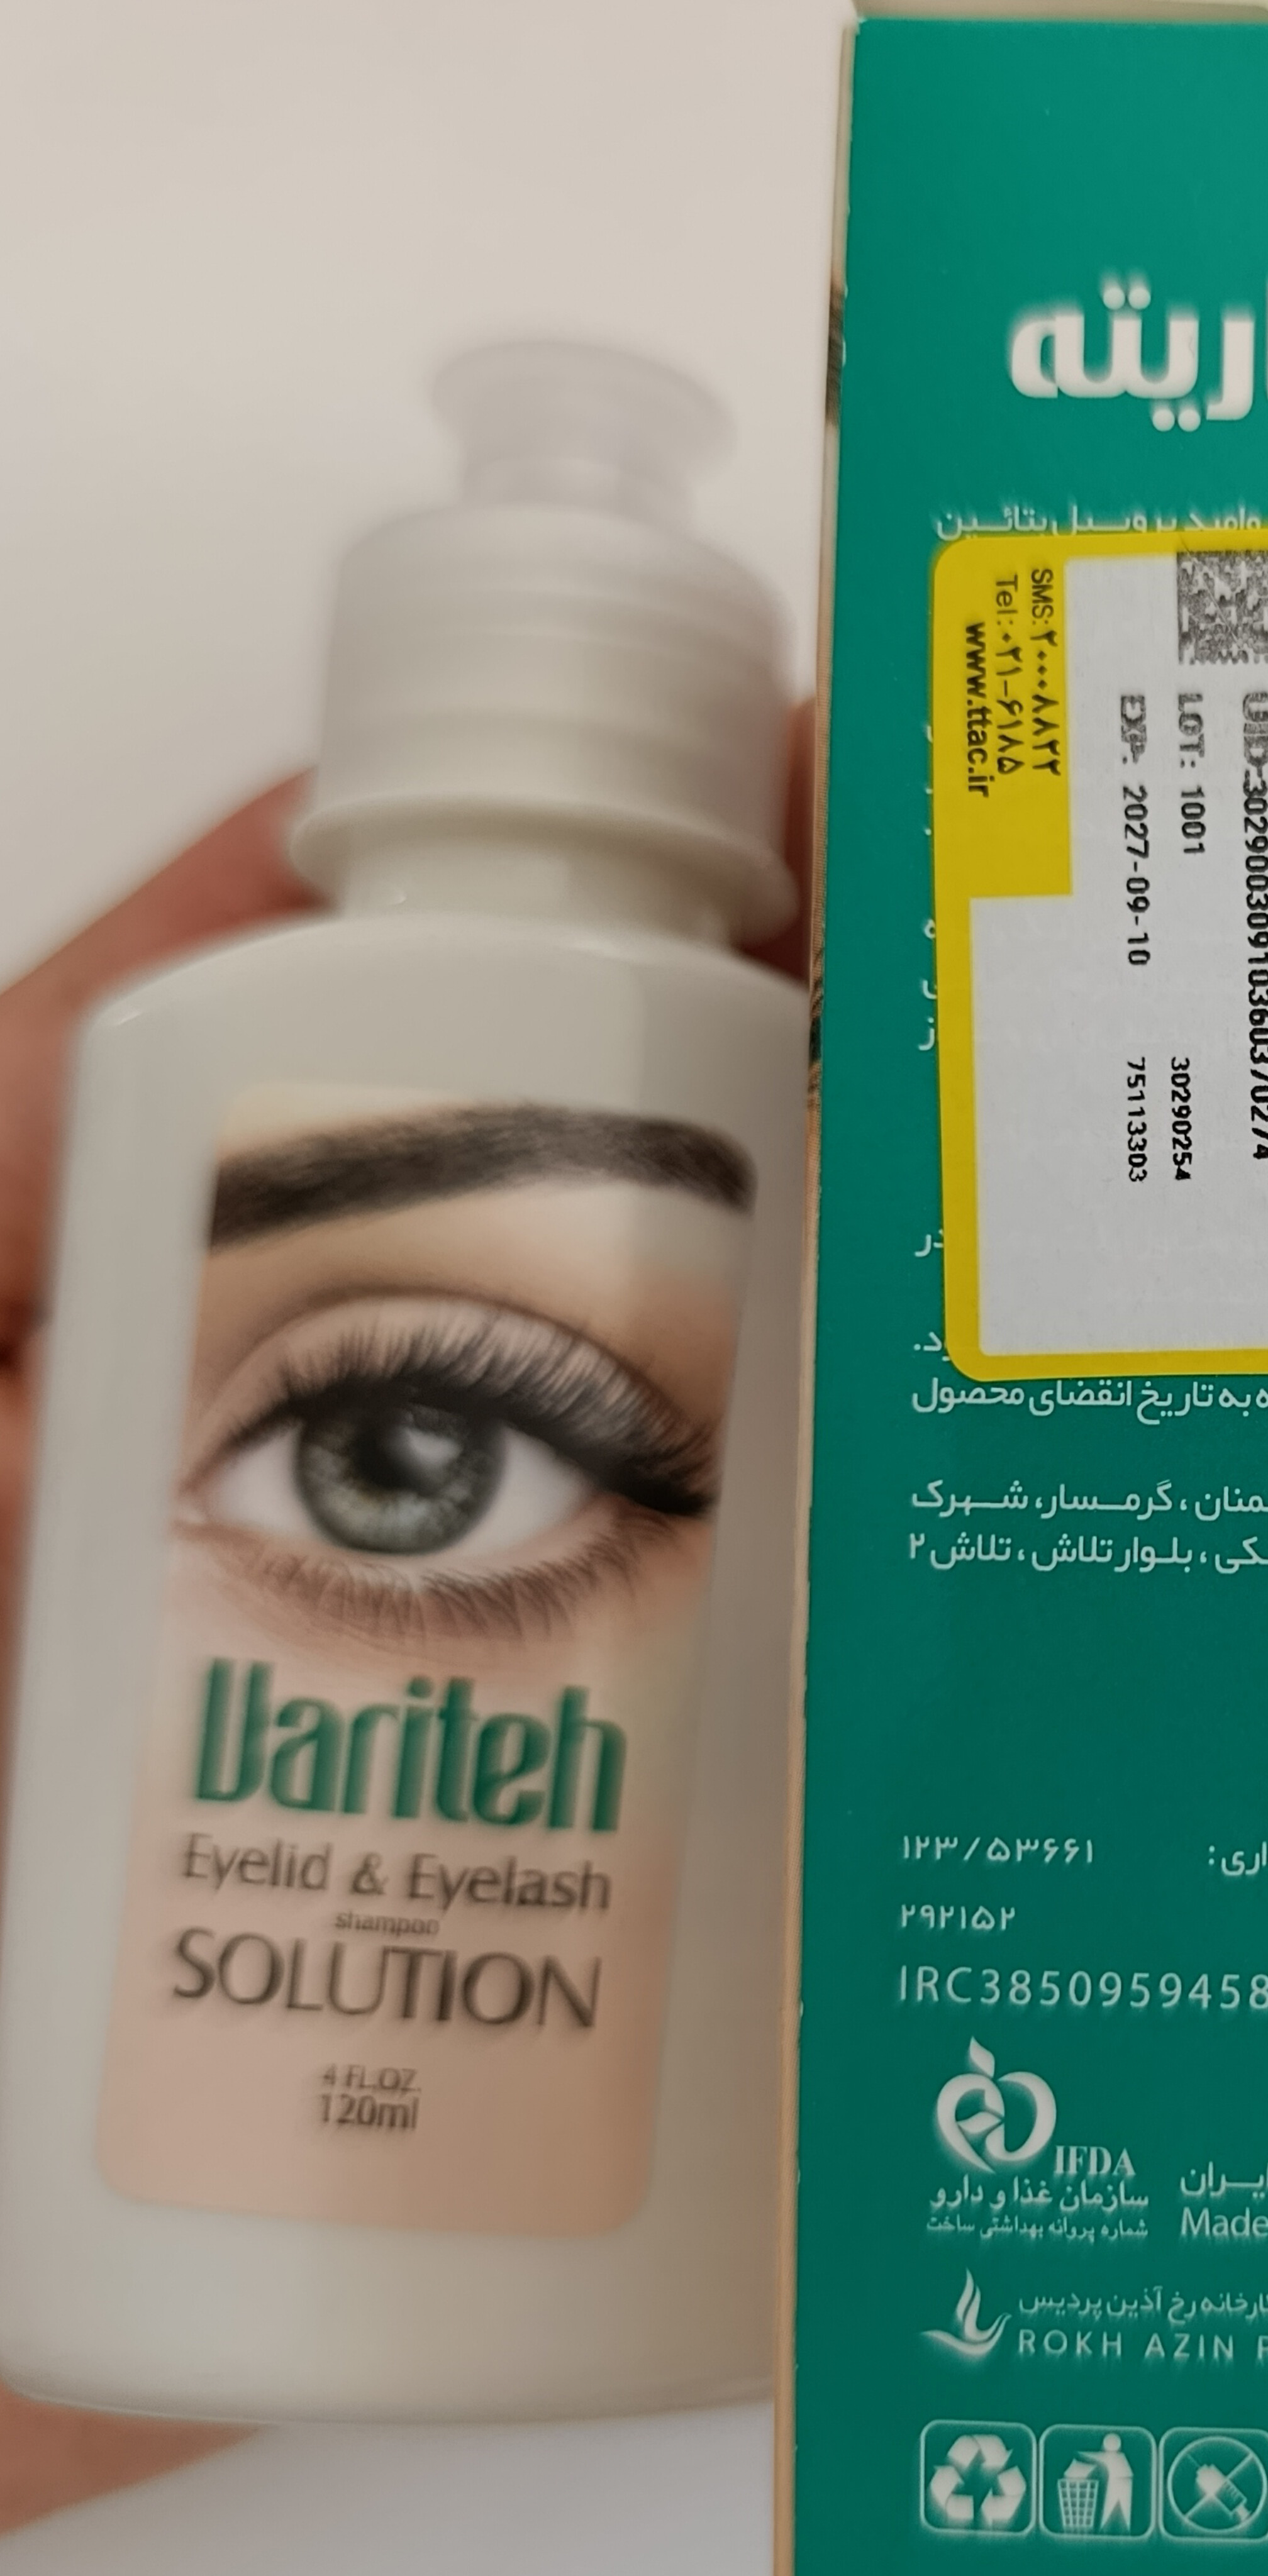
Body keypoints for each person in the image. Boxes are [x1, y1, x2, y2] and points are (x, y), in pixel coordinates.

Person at [0, 736, 817, 2536]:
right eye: (388, 1459)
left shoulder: (793, 1082)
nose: (404, 1476)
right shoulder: (179, 1040)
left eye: (419, 1458)